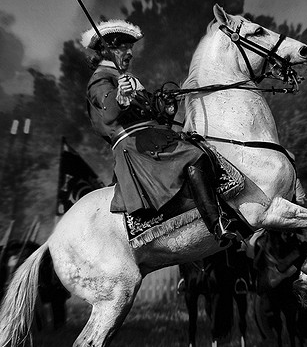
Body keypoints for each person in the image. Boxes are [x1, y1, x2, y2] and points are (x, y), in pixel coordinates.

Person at [82, 19, 237, 243]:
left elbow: (155, 113)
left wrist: (167, 102)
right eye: (124, 48)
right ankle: (217, 224)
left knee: (200, 144)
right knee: (195, 157)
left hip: (152, 137)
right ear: (108, 50)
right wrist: (120, 96)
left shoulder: (128, 79)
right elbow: (108, 111)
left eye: (130, 48)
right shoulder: (100, 79)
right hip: (137, 146)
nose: (129, 53)